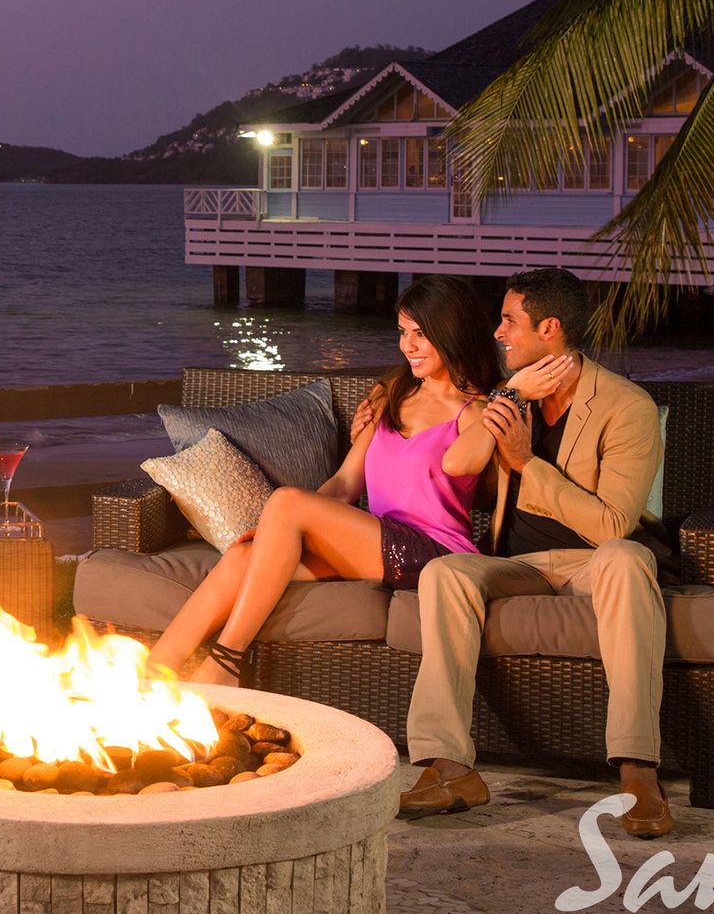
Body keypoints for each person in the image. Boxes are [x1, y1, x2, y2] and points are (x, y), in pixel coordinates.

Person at [147, 274, 564, 688]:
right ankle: (150, 676)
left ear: (451, 332)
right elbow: (344, 485)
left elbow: (464, 463)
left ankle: (226, 662)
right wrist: (279, 527)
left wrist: (511, 393)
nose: (408, 346)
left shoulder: (478, 408)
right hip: (374, 545)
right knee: (243, 557)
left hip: (434, 556)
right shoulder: (392, 395)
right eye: (403, 333)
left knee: (288, 502)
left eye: (421, 334)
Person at [387, 267, 674, 838]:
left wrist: (526, 467)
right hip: (518, 565)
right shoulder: (511, 394)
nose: (498, 333)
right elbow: (456, 463)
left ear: (550, 328)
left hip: (594, 561)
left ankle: (639, 772)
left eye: (510, 321)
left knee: (626, 557)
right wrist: (511, 394)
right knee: (447, 573)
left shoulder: (626, 406)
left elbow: (614, 524)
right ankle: (448, 765)